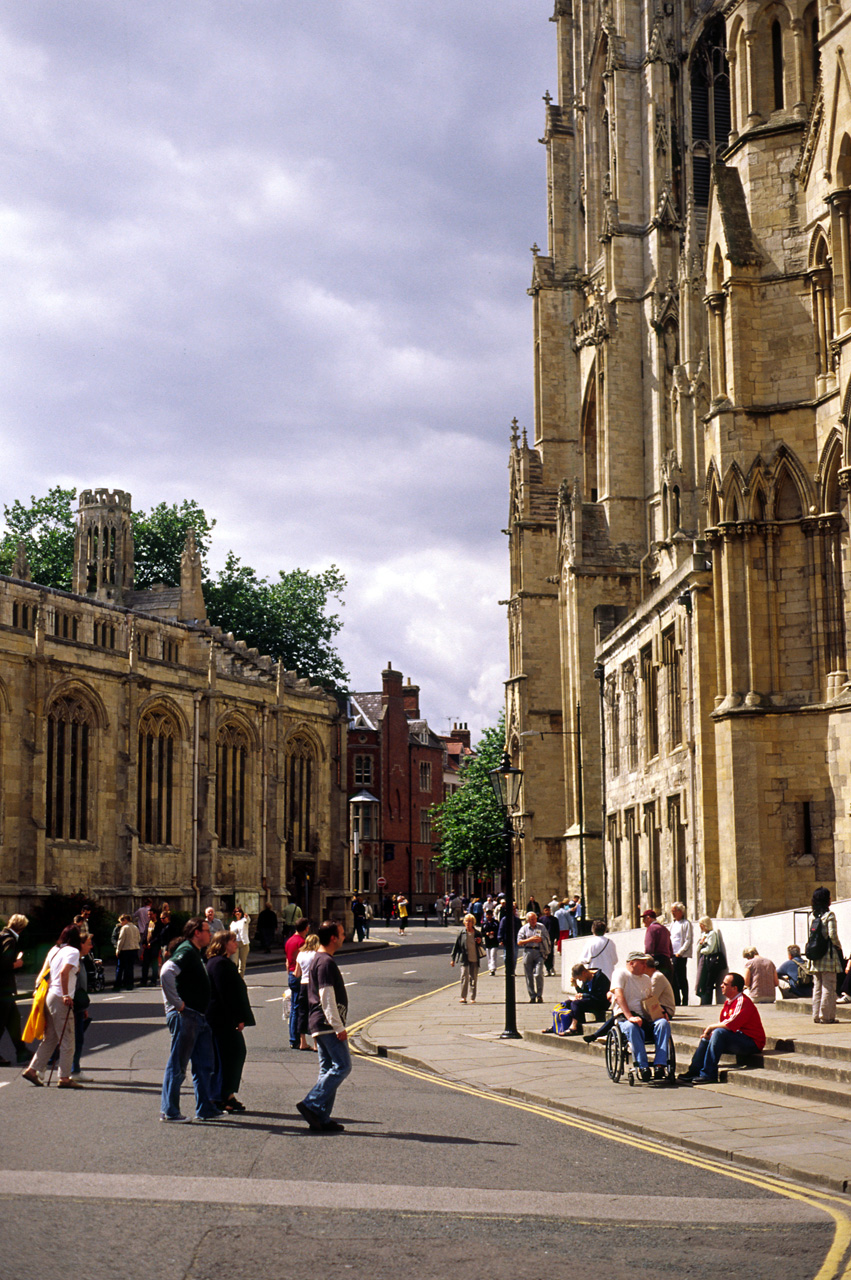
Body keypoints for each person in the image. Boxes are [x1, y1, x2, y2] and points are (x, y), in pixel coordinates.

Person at [159, 916, 222, 1122]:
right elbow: (166, 973)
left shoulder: (194, 952)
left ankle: (205, 1108)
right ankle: (170, 1111)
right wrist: (177, 1004)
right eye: (207, 930)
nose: (210, 933)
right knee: (178, 1064)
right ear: (197, 932)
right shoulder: (186, 950)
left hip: (198, 1017)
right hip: (187, 1015)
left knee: (205, 1063)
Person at [297, 921, 351, 1132]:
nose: (344, 937)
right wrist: (338, 1027)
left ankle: (321, 1117)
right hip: (327, 1023)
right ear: (333, 938)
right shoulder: (326, 962)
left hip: (318, 1022)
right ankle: (311, 1103)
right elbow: (326, 996)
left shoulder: (319, 959)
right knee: (343, 1066)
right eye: (342, 933)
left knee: (327, 1069)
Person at [22, 924, 83, 1088]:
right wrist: (65, 994)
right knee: (68, 1040)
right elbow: (64, 973)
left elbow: (44, 973)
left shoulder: (54, 950)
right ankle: (64, 1077)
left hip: (49, 996)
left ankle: (33, 1069)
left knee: (51, 1038)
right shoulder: (73, 952)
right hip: (60, 997)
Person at [678, 972, 766, 1085]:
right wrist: (710, 1034)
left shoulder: (742, 1002)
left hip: (752, 1042)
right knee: (707, 1039)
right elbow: (725, 1024)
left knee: (718, 1032)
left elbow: (730, 1024)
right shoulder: (729, 1002)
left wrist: (710, 1028)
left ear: (734, 988)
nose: (721, 986)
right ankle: (694, 1071)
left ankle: (709, 1073)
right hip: (737, 1038)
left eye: (725, 984)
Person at [206, 930, 255, 1113]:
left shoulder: (222, 963)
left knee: (230, 1055)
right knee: (230, 1055)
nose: (236, 943)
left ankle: (227, 1095)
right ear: (223, 944)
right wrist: (237, 1019)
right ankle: (221, 1095)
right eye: (233, 941)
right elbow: (225, 994)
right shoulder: (219, 964)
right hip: (222, 1019)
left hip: (222, 1018)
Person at [610, 950, 672, 1084]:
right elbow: (619, 996)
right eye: (642, 963)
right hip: (624, 1016)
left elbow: (650, 1000)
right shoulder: (620, 974)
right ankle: (642, 1066)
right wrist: (630, 1016)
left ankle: (660, 1064)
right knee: (632, 1026)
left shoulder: (646, 979)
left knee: (663, 1024)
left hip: (644, 1017)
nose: (645, 965)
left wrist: (661, 1012)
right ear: (632, 963)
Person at [807, 886, 844, 1024]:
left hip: (815, 956)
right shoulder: (829, 915)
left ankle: (816, 1015)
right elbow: (832, 935)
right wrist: (838, 947)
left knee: (817, 986)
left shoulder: (812, 916)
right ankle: (827, 1016)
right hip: (828, 956)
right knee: (829, 986)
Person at [0, 913, 29, 1066]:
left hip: (5, 989)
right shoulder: (9, 940)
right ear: (21, 928)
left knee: (14, 1020)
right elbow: (4, 964)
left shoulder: (2, 936)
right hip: (3, 988)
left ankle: (22, 1051)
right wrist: (16, 964)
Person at [558, 962, 610, 1035]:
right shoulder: (586, 978)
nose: (580, 980)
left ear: (584, 973)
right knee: (568, 1003)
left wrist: (584, 995)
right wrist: (576, 986)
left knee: (576, 1004)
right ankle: (561, 1024)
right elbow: (583, 992)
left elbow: (599, 996)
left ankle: (575, 1026)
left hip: (600, 1003)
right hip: (591, 1000)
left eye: (580, 978)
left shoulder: (600, 978)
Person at [285, 917, 309, 1048]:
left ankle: (295, 1039)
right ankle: (295, 1039)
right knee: (297, 1009)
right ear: (306, 928)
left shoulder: (289, 941)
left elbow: (287, 961)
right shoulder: (301, 942)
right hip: (299, 976)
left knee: (295, 1007)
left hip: (291, 974)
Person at [294, 933, 321, 1049]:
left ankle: (302, 1042)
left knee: (302, 1013)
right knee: (314, 1013)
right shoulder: (316, 955)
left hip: (303, 986)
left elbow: (297, 973)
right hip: (313, 986)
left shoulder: (300, 954)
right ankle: (315, 1044)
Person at [517, 912, 549, 1003]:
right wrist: (530, 939)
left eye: (535, 919)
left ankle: (539, 995)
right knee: (528, 975)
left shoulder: (541, 927)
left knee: (539, 974)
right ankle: (532, 995)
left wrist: (541, 939)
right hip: (528, 951)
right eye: (531, 919)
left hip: (539, 951)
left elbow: (547, 937)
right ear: (528, 920)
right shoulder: (524, 929)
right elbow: (519, 942)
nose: (534, 921)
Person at [450, 913, 482, 1004]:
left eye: (470, 921)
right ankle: (463, 997)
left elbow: (481, 946)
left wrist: (479, 942)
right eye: (467, 921)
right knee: (464, 977)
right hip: (464, 958)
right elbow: (456, 946)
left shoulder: (477, 933)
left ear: (473, 923)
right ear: (464, 922)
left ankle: (472, 997)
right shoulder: (461, 933)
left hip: (475, 958)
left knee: (473, 978)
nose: (468, 923)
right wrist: (453, 959)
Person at [696, 916, 727, 1005]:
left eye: (701, 925)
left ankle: (707, 1001)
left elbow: (709, 949)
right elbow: (698, 948)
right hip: (705, 960)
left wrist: (702, 949)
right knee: (703, 981)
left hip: (711, 960)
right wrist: (701, 945)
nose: (700, 927)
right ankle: (704, 1000)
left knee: (708, 982)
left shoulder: (712, 934)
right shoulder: (704, 935)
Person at [669, 902, 693, 1006]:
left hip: (680, 955)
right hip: (672, 953)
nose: (673, 913)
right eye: (672, 911)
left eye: (674, 911)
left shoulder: (686, 923)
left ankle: (685, 1000)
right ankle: (677, 1000)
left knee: (681, 977)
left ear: (680, 912)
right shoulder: (673, 924)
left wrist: (680, 952)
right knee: (673, 977)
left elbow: (688, 939)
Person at [642, 908, 674, 980]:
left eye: (644, 919)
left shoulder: (651, 928)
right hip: (667, 962)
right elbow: (670, 948)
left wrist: (645, 960)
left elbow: (649, 947)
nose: (643, 922)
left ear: (649, 918)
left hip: (656, 962)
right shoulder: (665, 929)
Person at [643, 954, 676, 1019]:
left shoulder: (657, 977)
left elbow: (651, 997)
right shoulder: (650, 977)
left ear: (645, 966)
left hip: (666, 1010)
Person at [115, 914, 141, 990]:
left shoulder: (124, 928)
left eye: (121, 921)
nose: (121, 923)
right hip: (134, 949)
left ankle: (118, 985)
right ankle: (129, 984)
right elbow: (139, 938)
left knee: (120, 968)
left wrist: (118, 950)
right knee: (130, 968)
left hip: (125, 950)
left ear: (125, 920)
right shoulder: (135, 928)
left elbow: (121, 940)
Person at [230, 907, 251, 977]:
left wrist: (247, 917)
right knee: (234, 962)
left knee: (242, 963)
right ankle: (234, 978)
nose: (237, 913)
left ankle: (240, 979)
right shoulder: (232, 923)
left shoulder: (244, 920)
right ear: (234, 914)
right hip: (235, 943)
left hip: (244, 943)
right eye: (236, 912)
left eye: (239, 911)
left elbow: (248, 920)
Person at [540, 905, 560, 977]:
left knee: (551, 954)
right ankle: (547, 969)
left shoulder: (554, 919)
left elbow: (557, 929)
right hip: (543, 939)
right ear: (544, 911)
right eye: (545, 910)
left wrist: (557, 938)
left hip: (551, 939)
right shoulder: (541, 919)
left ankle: (551, 968)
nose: (547, 912)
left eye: (548, 910)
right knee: (545, 955)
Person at [481, 908, 500, 977]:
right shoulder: (484, 924)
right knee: (489, 956)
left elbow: (499, 931)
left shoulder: (496, 923)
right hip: (488, 942)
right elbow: (482, 932)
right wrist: (486, 933)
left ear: (492, 915)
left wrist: (494, 932)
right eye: (487, 915)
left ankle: (493, 968)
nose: (488, 916)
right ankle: (490, 968)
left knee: (493, 955)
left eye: (490, 915)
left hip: (494, 942)